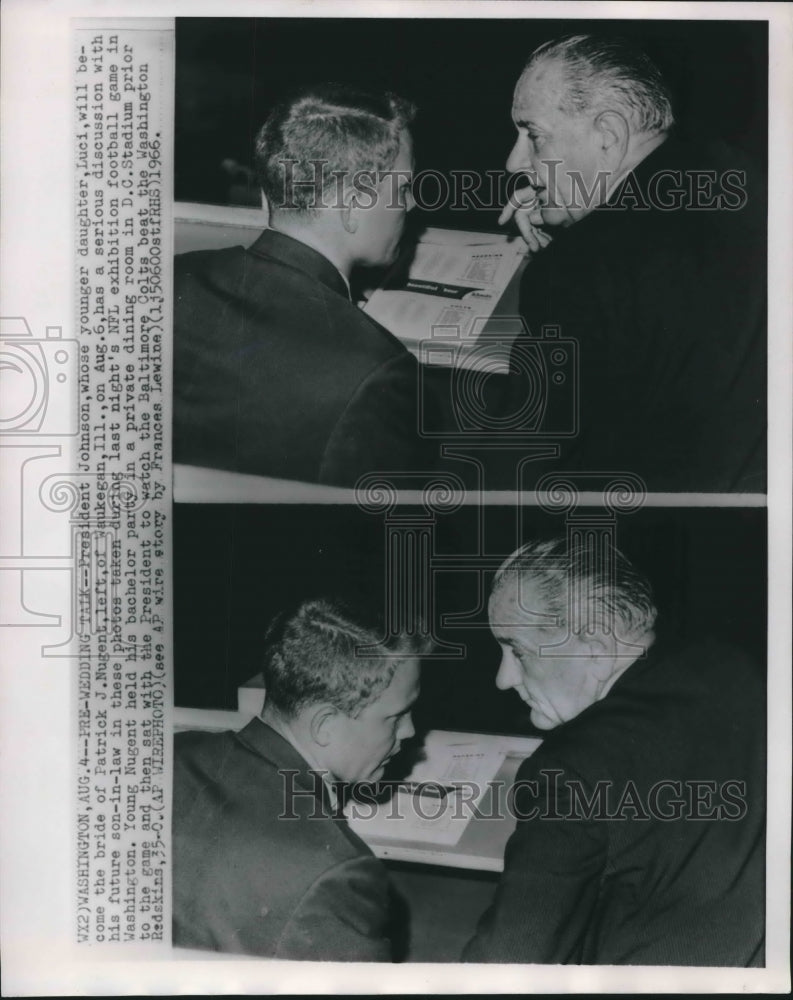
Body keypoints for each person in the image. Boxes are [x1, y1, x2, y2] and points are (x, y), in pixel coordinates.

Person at [464, 537, 765, 965]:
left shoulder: (571, 769)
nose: (503, 678)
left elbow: (512, 958)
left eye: (518, 651)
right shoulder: (739, 669)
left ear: (598, 649)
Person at [497, 35, 765, 492]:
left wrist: (569, 252)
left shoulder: (572, 274)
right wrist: (573, 214)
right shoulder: (741, 173)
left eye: (533, 135)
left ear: (609, 134)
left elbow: (528, 460)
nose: (513, 162)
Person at [173, 84, 436, 487]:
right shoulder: (379, 371)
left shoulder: (174, 279)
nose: (412, 203)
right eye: (403, 188)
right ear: (354, 205)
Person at [172, 597, 427, 961]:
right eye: (396, 717)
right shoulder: (336, 872)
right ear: (324, 726)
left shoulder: (174, 753)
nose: (410, 730)